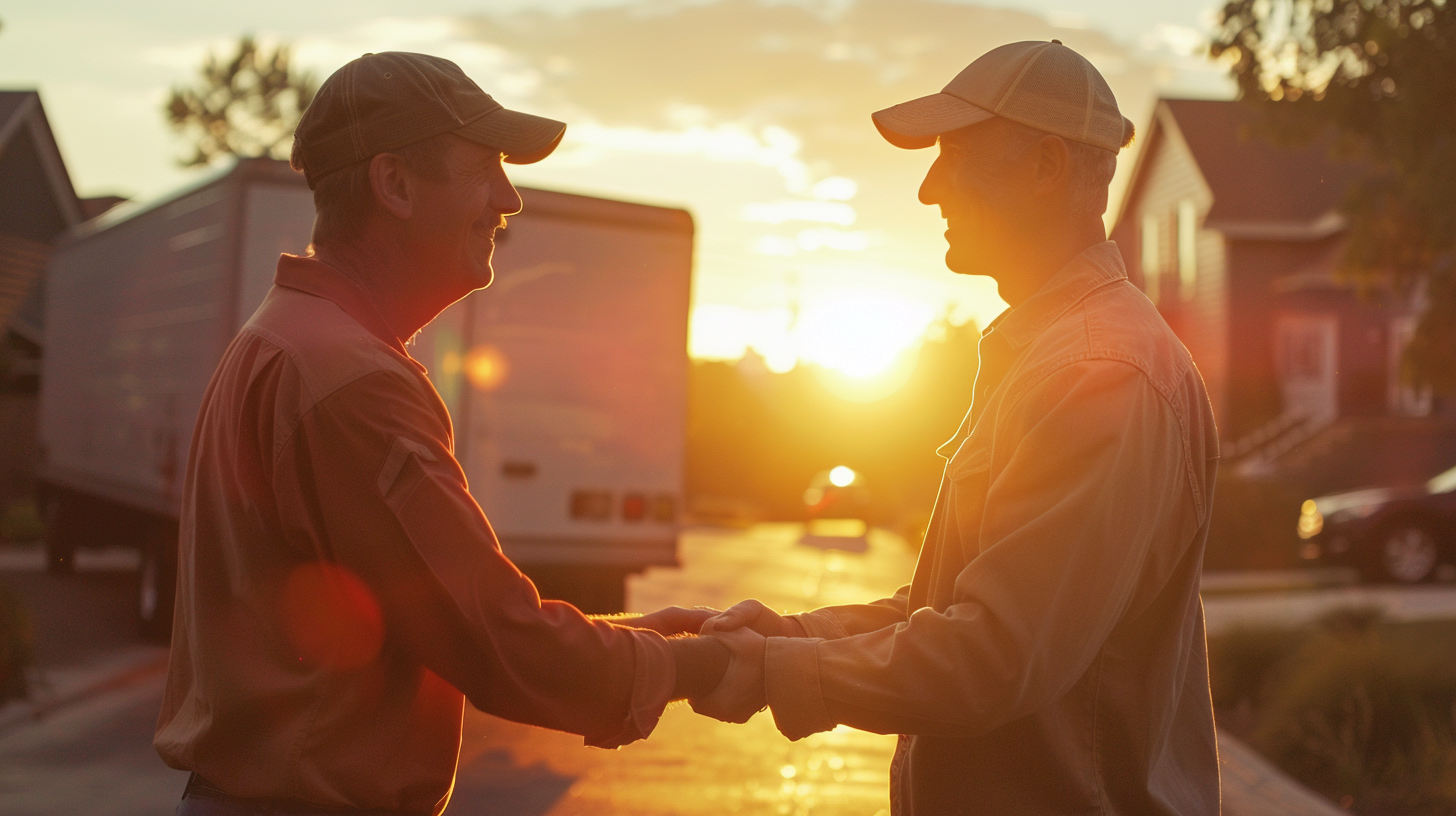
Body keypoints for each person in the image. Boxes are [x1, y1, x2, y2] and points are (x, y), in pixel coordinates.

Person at [154, 51, 728, 816]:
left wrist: (638, 640)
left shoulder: (285, 339)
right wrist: (707, 666)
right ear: (393, 183)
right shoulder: (351, 381)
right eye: (485, 166)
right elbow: (489, 634)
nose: (508, 198)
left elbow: (448, 611)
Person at [692, 41, 1222, 815]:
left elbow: (993, 655)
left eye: (957, 153)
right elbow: (954, 608)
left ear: (1045, 168)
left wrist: (765, 669)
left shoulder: (1100, 373)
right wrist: (794, 635)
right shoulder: (1052, 356)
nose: (930, 188)